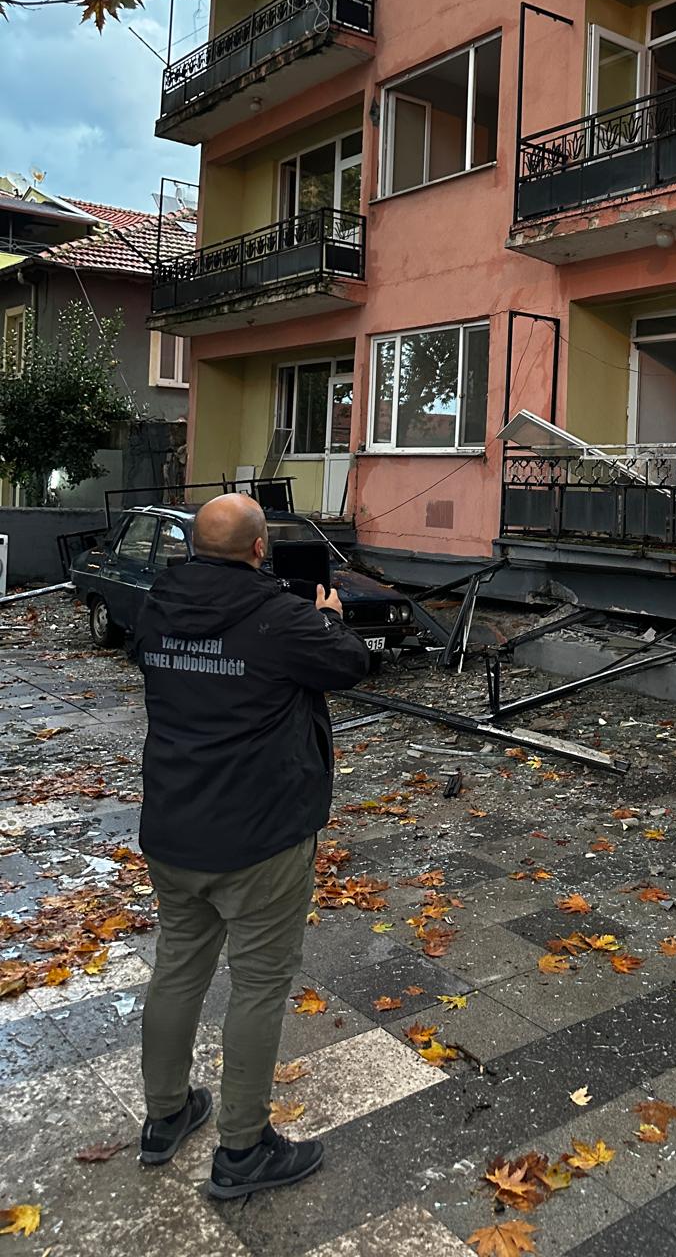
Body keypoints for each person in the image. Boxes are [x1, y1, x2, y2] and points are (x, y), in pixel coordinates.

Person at [132, 493, 370, 1199]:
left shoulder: (158, 606)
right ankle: (242, 1149)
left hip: (174, 828)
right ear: (260, 549)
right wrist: (328, 618)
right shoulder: (282, 617)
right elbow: (350, 664)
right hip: (260, 836)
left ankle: (165, 1116)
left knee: (177, 969)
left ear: (191, 548)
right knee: (259, 986)